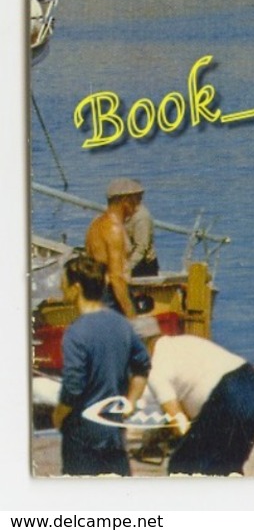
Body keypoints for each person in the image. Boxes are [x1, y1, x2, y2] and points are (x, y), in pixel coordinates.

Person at [53, 256, 150, 476]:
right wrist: (130, 403)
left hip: (82, 433)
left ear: (76, 288)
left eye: (64, 282)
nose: (61, 287)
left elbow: (73, 386)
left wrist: (58, 415)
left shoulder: (76, 333)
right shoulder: (121, 324)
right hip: (113, 429)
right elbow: (142, 366)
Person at [138, 324, 254, 476]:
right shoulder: (182, 342)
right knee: (228, 466)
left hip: (232, 395)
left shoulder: (155, 367)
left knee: (183, 466)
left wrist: (181, 442)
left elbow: (179, 422)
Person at [85, 178, 144, 317]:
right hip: (111, 295)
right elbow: (116, 277)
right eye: (138, 200)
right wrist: (131, 315)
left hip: (96, 292)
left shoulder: (96, 224)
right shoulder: (114, 229)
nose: (138, 207)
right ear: (126, 201)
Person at [127, 190, 158, 278]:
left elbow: (141, 249)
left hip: (143, 266)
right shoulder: (127, 214)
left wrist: (126, 268)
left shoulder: (141, 217)